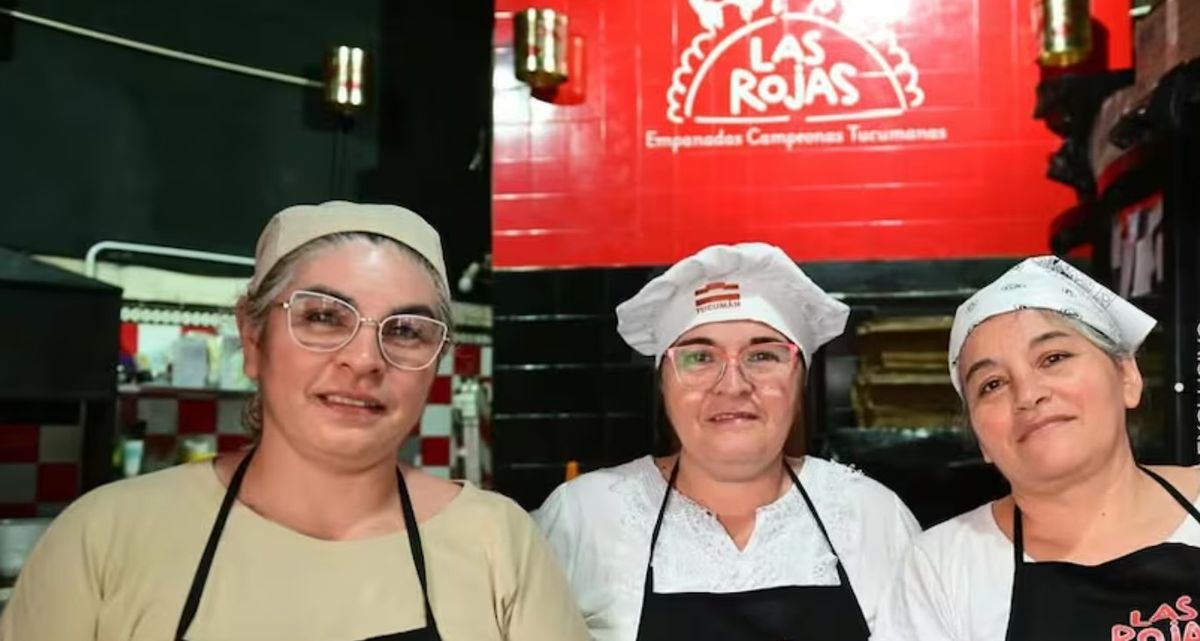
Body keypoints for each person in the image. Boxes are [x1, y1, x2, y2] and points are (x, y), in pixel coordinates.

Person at [0, 201, 590, 641]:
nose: (363, 360)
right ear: (252, 337)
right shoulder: (106, 538)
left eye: (406, 330)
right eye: (324, 317)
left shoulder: (498, 541)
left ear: (435, 362)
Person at [534, 242, 920, 641]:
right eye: (700, 358)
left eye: (763, 356)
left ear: (799, 381)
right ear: (663, 385)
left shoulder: (872, 516)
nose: (733, 385)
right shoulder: (583, 517)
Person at [873, 255, 1200, 641]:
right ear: (981, 439)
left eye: (1053, 358)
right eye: (991, 384)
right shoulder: (942, 568)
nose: (1028, 395)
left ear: (1127, 375)